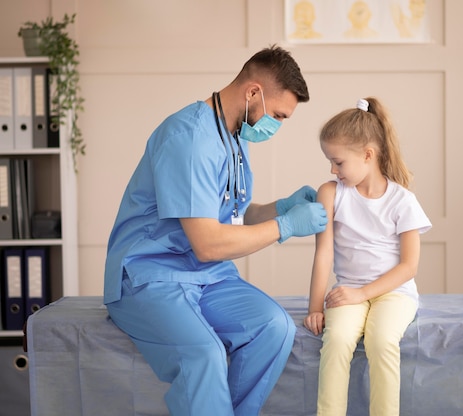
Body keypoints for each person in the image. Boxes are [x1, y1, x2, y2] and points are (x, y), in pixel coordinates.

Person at [103, 45, 328, 416]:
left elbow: (232, 216)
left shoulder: (235, 135)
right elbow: (208, 243)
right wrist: (284, 226)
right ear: (253, 92)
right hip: (149, 276)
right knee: (203, 355)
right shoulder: (189, 139)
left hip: (205, 276)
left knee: (274, 327)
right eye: (278, 115)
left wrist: (281, 208)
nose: (277, 125)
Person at [304, 97, 431, 415]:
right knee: (337, 341)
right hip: (349, 293)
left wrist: (363, 292)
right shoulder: (331, 193)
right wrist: (315, 307)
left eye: (338, 162)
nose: (332, 169)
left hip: (395, 294)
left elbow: (409, 266)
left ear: (368, 155)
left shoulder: (403, 200)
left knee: (382, 341)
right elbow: (324, 254)